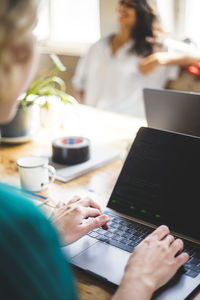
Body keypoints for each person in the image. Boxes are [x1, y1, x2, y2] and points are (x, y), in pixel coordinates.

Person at [0, 0, 189, 299]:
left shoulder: (156, 46)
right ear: (19, 54)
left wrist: (51, 233)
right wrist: (138, 281)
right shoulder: (17, 221)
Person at [73, 0, 199, 118]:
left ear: (143, 12)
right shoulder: (99, 46)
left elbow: (196, 54)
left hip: (131, 121)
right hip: (93, 117)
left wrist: (160, 59)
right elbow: (79, 84)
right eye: (122, 2)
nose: (122, 8)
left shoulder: (157, 47)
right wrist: (84, 113)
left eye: (130, 6)